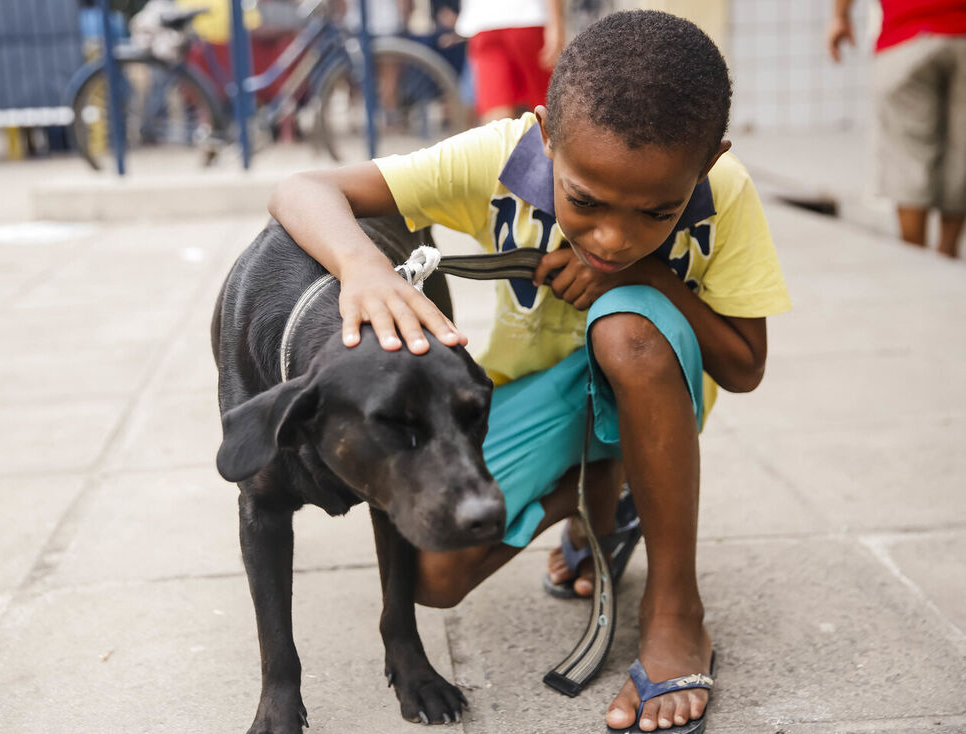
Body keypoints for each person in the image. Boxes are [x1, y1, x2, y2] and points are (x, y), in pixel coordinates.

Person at [269, 10, 790, 732]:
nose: (614, 235)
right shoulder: (500, 158)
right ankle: (602, 495)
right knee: (429, 574)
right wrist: (362, 266)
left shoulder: (723, 190)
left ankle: (676, 606)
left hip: (653, 395)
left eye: (654, 212)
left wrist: (641, 276)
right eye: (585, 201)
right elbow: (301, 188)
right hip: (542, 400)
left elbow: (745, 366)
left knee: (630, 327)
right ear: (544, 135)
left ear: (706, 161)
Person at [828, 0, 966, 257]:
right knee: (961, 155)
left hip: (905, 37)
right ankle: (947, 255)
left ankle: (917, 261)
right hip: (961, 33)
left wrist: (840, 16)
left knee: (908, 161)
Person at [456, 0, 565, 123]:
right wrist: (556, 23)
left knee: (497, 117)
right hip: (526, 18)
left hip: (485, 22)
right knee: (546, 108)